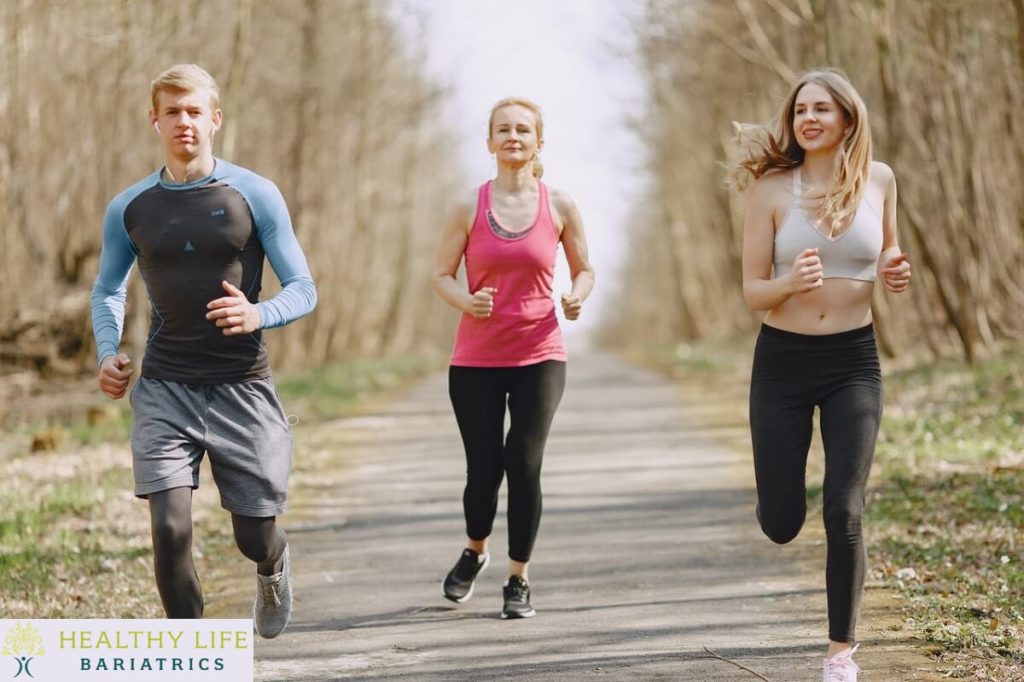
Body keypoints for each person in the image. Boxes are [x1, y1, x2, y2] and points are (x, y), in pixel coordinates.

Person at [90, 64, 317, 638]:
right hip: (165, 388)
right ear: (155, 120)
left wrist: (256, 314)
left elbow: (304, 289)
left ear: (215, 119)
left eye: (194, 111)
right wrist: (107, 350)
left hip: (242, 386)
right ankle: (192, 661)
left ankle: (272, 565)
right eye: (172, 111)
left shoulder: (254, 194)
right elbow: (108, 288)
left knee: (254, 535)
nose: (183, 122)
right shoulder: (130, 207)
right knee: (169, 530)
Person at [730, 68, 911, 681]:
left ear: (848, 119)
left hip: (852, 362)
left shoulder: (879, 180)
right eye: (801, 109)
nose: (809, 118)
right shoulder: (771, 189)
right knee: (782, 522)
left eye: (822, 110)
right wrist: (789, 283)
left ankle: (840, 653)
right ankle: (778, 500)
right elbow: (753, 290)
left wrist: (893, 268)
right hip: (781, 362)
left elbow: (886, 248)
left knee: (845, 507)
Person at [432, 97, 595, 619]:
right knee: (483, 469)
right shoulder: (467, 207)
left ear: (538, 142)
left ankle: (518, 577)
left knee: (524, 463)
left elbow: (585, 269)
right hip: (475, 357)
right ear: (489, 142)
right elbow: (440, 275)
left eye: (523, 129)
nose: (513, 137)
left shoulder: (560, 206)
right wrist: (467, 300)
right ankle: (475, 550)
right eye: (503, 129)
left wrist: (577, 296)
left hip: (540, 352)